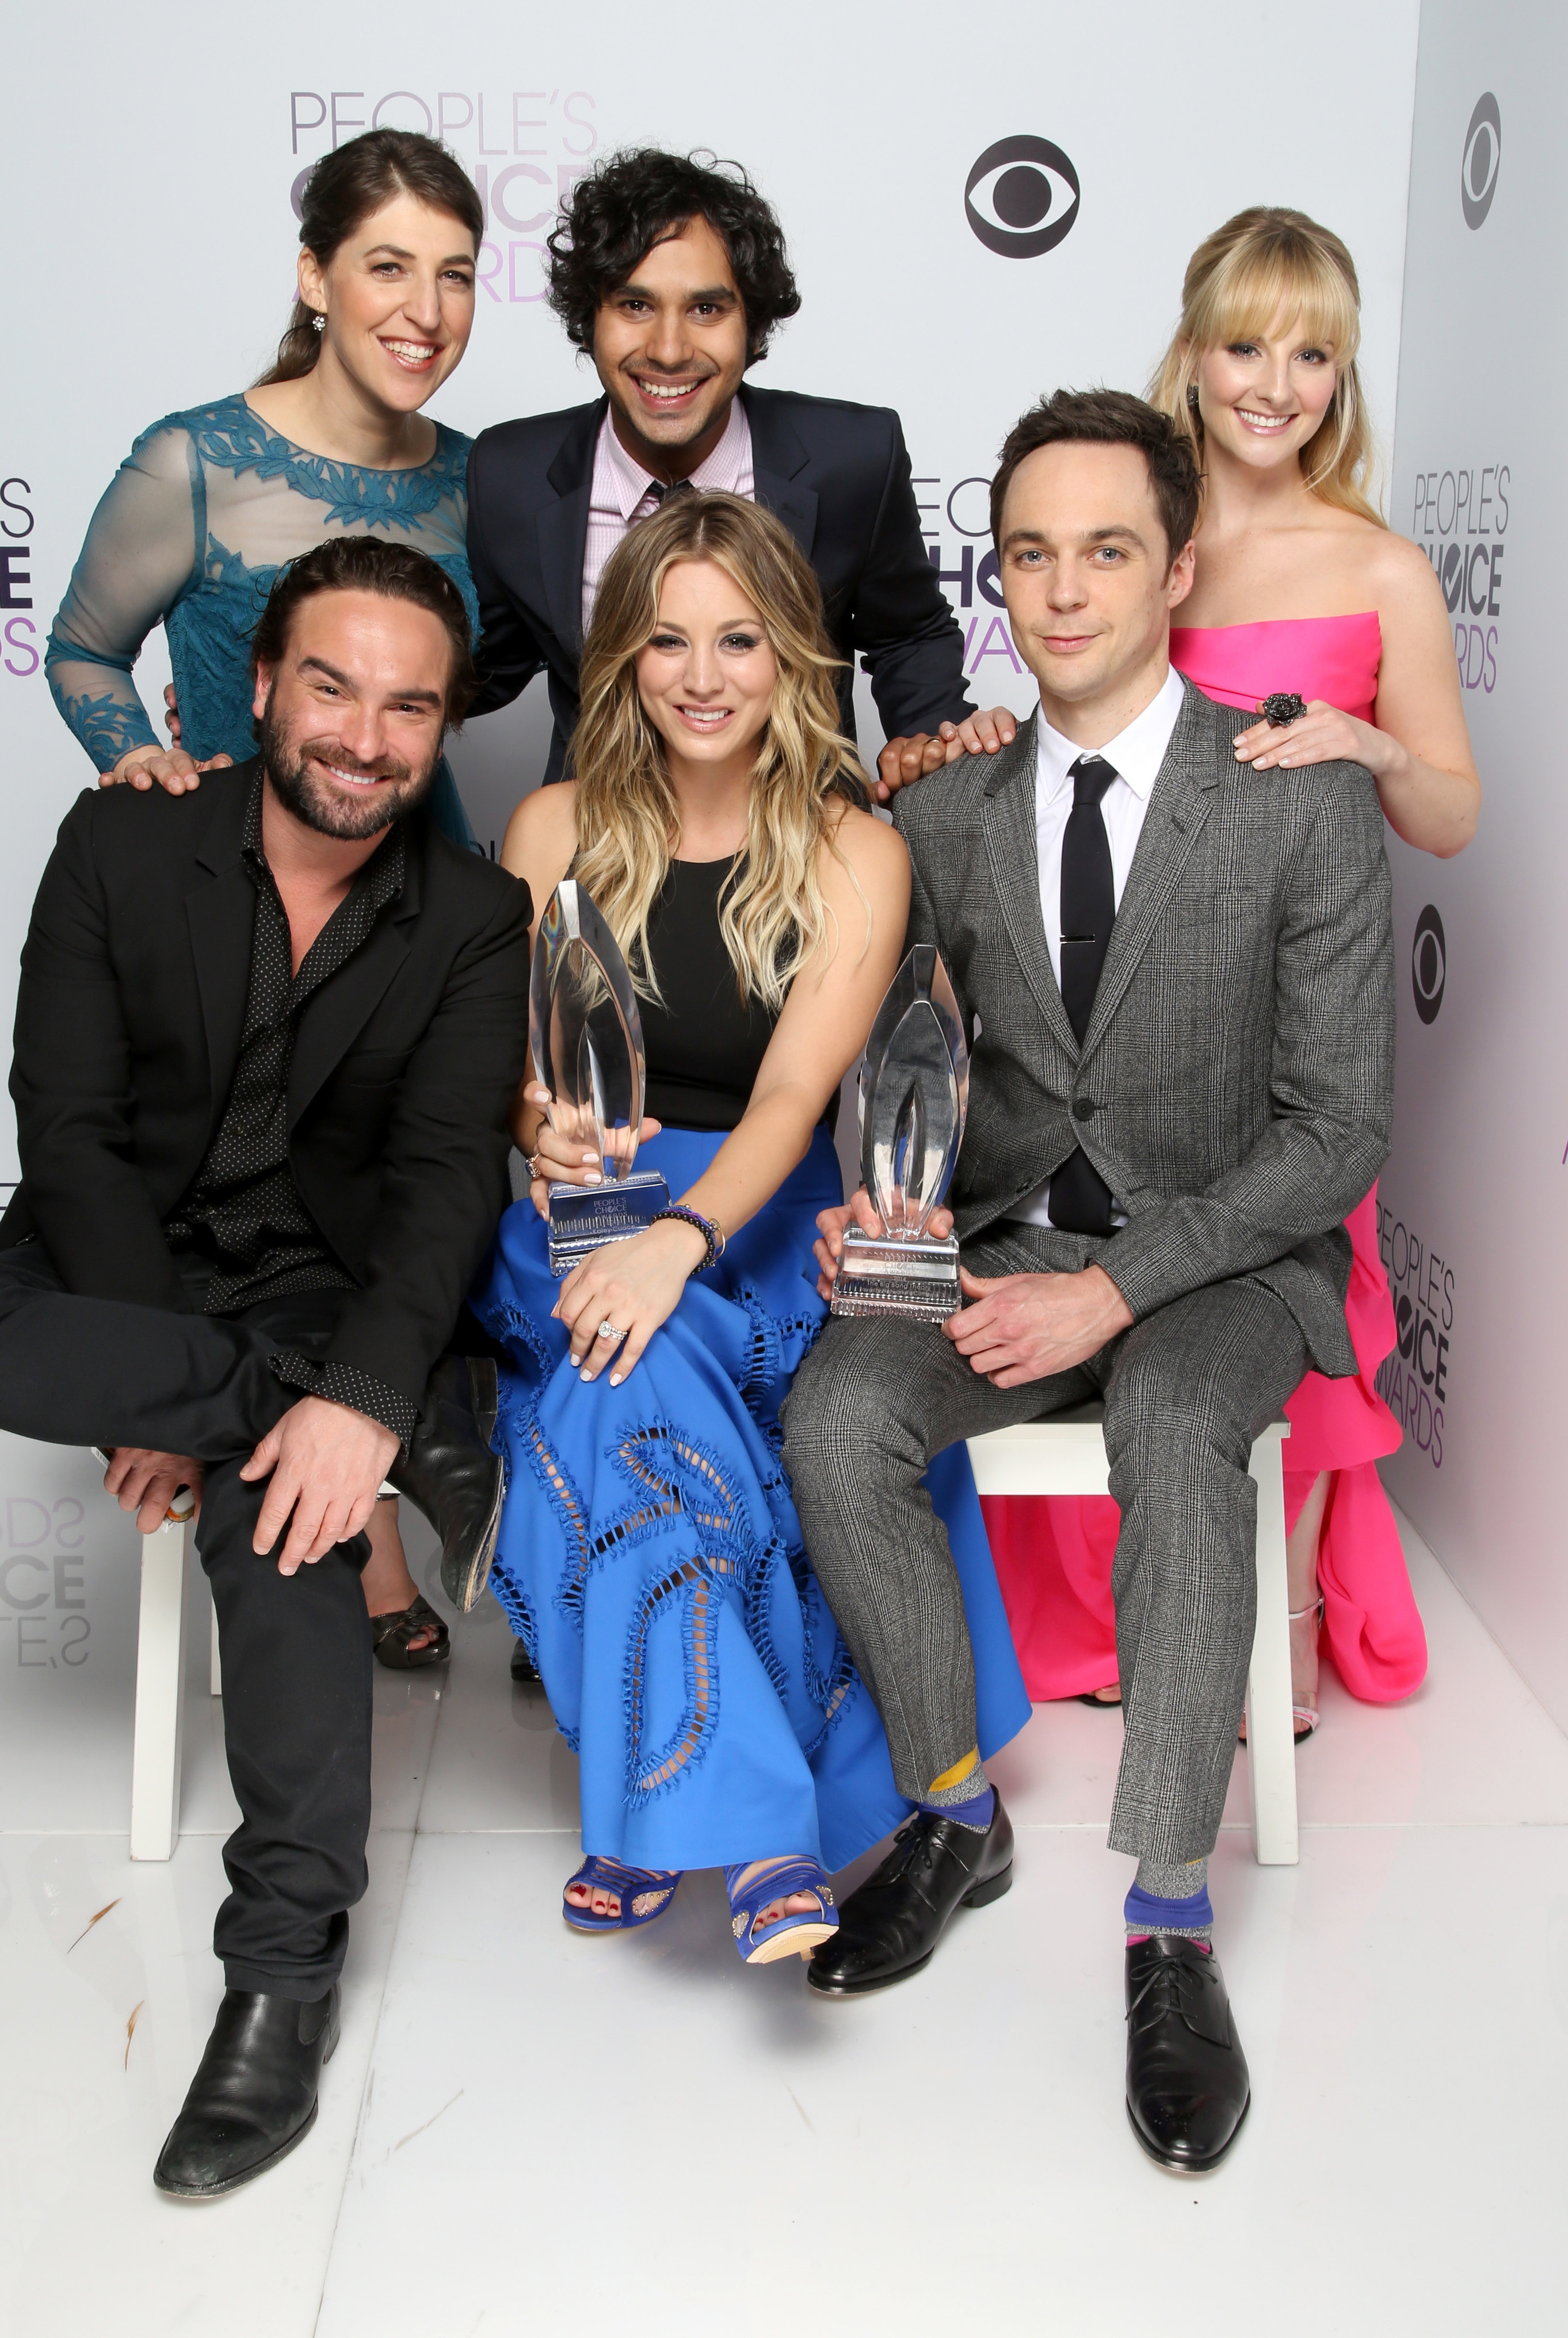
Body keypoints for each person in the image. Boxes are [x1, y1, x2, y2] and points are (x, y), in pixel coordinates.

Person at [0, 539, 531, 2198]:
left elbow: (453, 1180)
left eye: (408, 706)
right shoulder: (122, 836)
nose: (365, 736)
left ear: (444, 726)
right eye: (331, 685)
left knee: (288, 1518)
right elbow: (69, 1124)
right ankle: (326, 1421)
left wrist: (352, 1378)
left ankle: (282, 1970)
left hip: (329, 1288)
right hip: (125, 1267)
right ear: (257, 683)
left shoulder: (474, 913)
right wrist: (166, 1382)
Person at [781, 391, 1393, 2172]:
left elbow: (1337, 1128)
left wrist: (1115, 1292)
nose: (1062, 590)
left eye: (1106, 550)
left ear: (1176, 565)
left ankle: (1168, 1918)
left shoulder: (1292, 797)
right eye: (1029, 552)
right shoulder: (948, 806)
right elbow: (889, 1053)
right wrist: (869, 1213)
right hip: (994, 1250)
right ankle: (951, 1813)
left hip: (1220, 1258)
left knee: (1185, 1430)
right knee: (834, 1416)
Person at [476, 491, 1029, 1956]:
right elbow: (509, 1078)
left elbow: (791, 1100)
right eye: (665, 640)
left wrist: (680, 1242)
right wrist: (550, 1134)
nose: (701, 674)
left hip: (760, 1216)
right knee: (619, 1344)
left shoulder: (857, 850)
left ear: (789, 655)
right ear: (622, 659)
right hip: (585, 1214)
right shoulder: (550, 828)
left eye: (737, 639)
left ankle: (660, 1811)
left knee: (652, 1379)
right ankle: (764, 1827)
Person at [979, 211, 1477, 1735]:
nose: (1276, 381)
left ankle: (1286, 1615)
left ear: (1343, 371)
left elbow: (1451, 813)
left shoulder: (1381, 566)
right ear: (1194, 348)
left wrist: (1371, 741)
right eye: (1247, 343)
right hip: (1119, 1002)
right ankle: (1108, 1615)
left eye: (1313, 351)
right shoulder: (1133, 530)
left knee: (1301, 1301)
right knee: (1100, 1283)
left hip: (1295, 1005)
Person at [45, 128, 499, 1668]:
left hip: (408, 904)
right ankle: (353, 1515)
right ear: (314, 279)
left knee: (389, 1198)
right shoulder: (196, 455)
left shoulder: (468, 476)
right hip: (229, 901)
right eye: (387, 266)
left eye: (455, 276)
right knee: (245, 1183)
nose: (425, 308)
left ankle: (372, 1460)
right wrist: (145, 766)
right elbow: (83, 649)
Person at [464, 147, 1015, 800]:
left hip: (810, 848)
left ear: (754, 327)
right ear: (591, 318)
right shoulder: (513, 473)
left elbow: (910, 633)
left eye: (706, 309)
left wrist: (930, 744)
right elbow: (485, 665)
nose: (669, 350)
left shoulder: (854, 457)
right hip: (601, 845)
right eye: (635, 305)